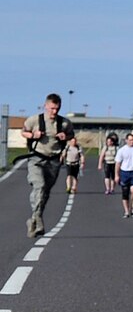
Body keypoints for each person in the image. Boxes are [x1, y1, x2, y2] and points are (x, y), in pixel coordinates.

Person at [20, 94, 74, 236]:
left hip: (53, 161)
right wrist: (33, 135)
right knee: (39, 186)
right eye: (52, 108)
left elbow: (71, 135)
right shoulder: (34, 120)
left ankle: (34, 219)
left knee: (45, 192)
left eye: (57, 109)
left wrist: (65, 137)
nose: (54, 112)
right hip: (37, 159)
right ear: (45, 106)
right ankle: (38, 218)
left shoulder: (64, 123)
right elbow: (23, 132)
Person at [101, 130, 120, 195]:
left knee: (113, 177)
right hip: (107, 163)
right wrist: (100, 164)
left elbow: (119, 157)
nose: (108, 142)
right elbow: (102, 156)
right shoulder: (105, 148)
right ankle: (107, 189)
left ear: (112, 142)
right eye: (107, 141)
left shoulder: (116, 148)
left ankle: (112, 189)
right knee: (107, 176)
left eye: (110, 141)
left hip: (114, 163)